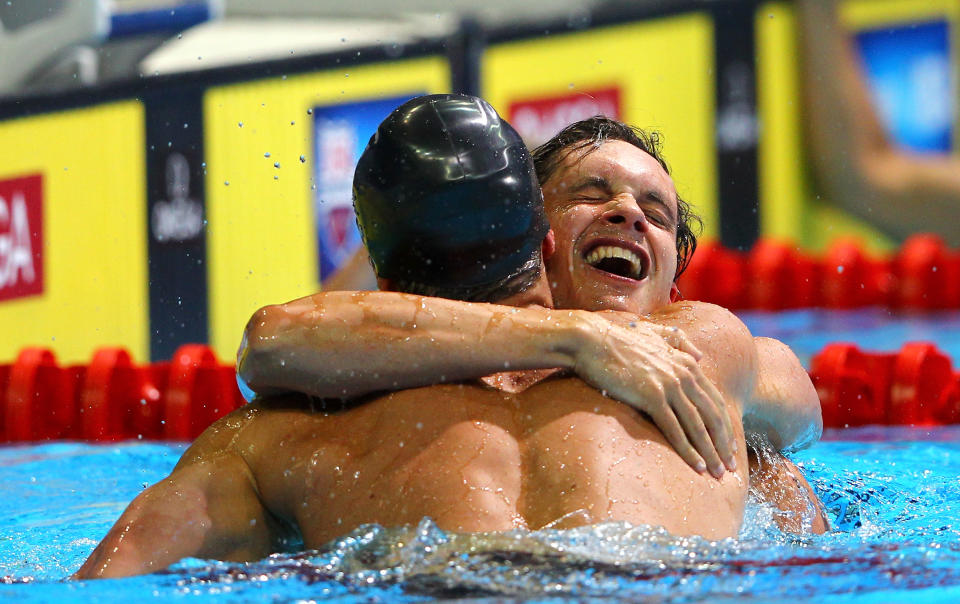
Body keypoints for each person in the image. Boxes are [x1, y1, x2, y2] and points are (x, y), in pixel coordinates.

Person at [73, 96, 819, 580]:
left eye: (654, 210)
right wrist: (576, 340)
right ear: (543, 240)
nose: (626, 212)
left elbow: (110, 576)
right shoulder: (708, 362)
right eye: (591, 195)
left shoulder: (280, 434)